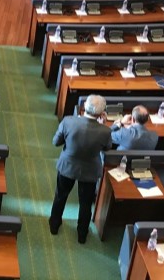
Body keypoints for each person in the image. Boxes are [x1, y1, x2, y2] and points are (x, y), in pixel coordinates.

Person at [48, 94, 111, 242]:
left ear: (83, 109)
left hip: (67, 166)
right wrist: (104, 124)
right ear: (102, 114)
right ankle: (82, 234)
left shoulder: (68, 121)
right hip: (89, 171)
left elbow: (56, 142)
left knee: (60, 196)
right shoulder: (105, 131)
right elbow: (107, 148)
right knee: (85, 203)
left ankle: (54, 225)